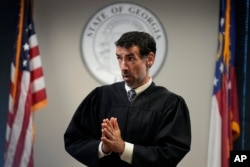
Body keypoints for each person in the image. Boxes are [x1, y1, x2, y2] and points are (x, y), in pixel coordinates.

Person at [64, 31, 191, 167]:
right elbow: (74, 140)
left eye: (130, 58)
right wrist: (103, 148)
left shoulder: (169, 104)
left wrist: (124, 149)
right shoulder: (101, 97)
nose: (123, 66)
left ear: (150, 59)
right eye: (119, 58)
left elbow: (171, 154)